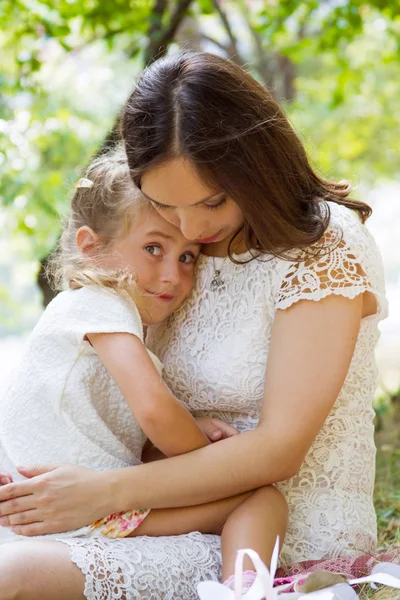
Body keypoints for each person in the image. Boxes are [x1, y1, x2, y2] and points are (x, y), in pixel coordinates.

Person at [0, 50, 387, 600]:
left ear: (257, 166)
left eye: (213, 201)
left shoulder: (322, 248)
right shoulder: (174, 258)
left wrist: (104, 492)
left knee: (12, 576)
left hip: (268, 525)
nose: (191, 228)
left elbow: (277, 450)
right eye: (165, 206)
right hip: (144, 502)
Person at [0, 146, 287, 582]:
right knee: (261, 499)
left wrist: (190, 425)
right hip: (77, 507)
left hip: (65, 509)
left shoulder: (98, 322)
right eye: (154, 248)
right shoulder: (98, 303)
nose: (173, 274)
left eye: (188, 256)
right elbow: (153, 410)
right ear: (91, 250)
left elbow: (114, 433)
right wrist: (208, 464)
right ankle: (245, 591)